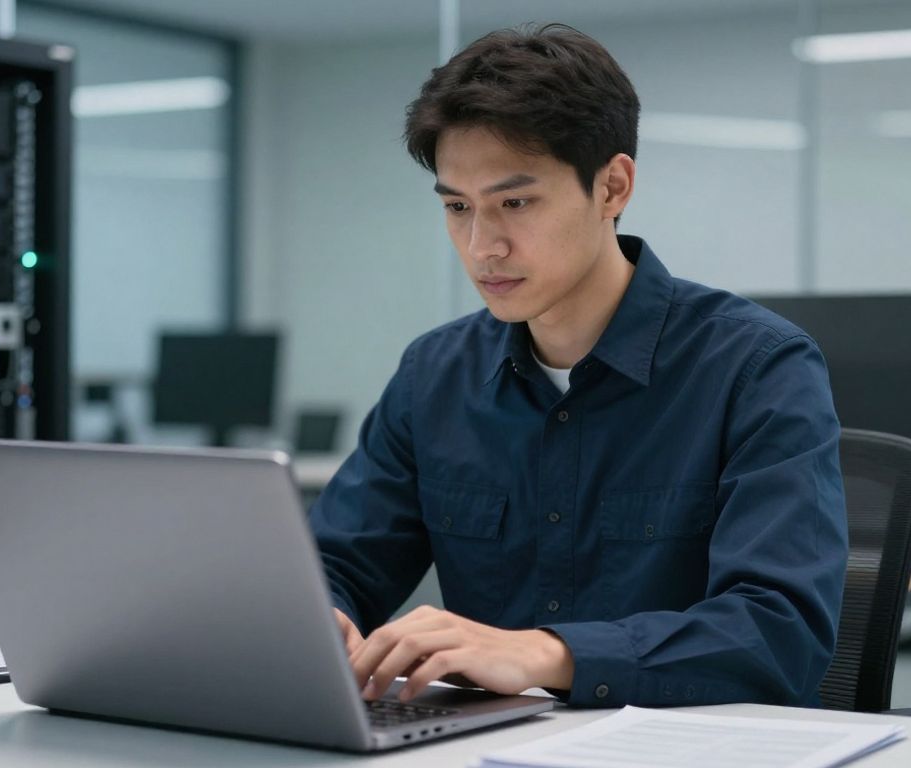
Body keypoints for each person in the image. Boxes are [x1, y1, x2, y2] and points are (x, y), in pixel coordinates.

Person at [308, 23, 848, 709]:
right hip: (488, 749)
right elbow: (335, 563)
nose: (482, 247)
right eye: (456, 207)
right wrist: (316, 619)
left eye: (515, 203)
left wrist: (548, 652)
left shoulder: (758, 369)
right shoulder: (433, 376)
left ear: (612, 187)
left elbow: (779, 632)